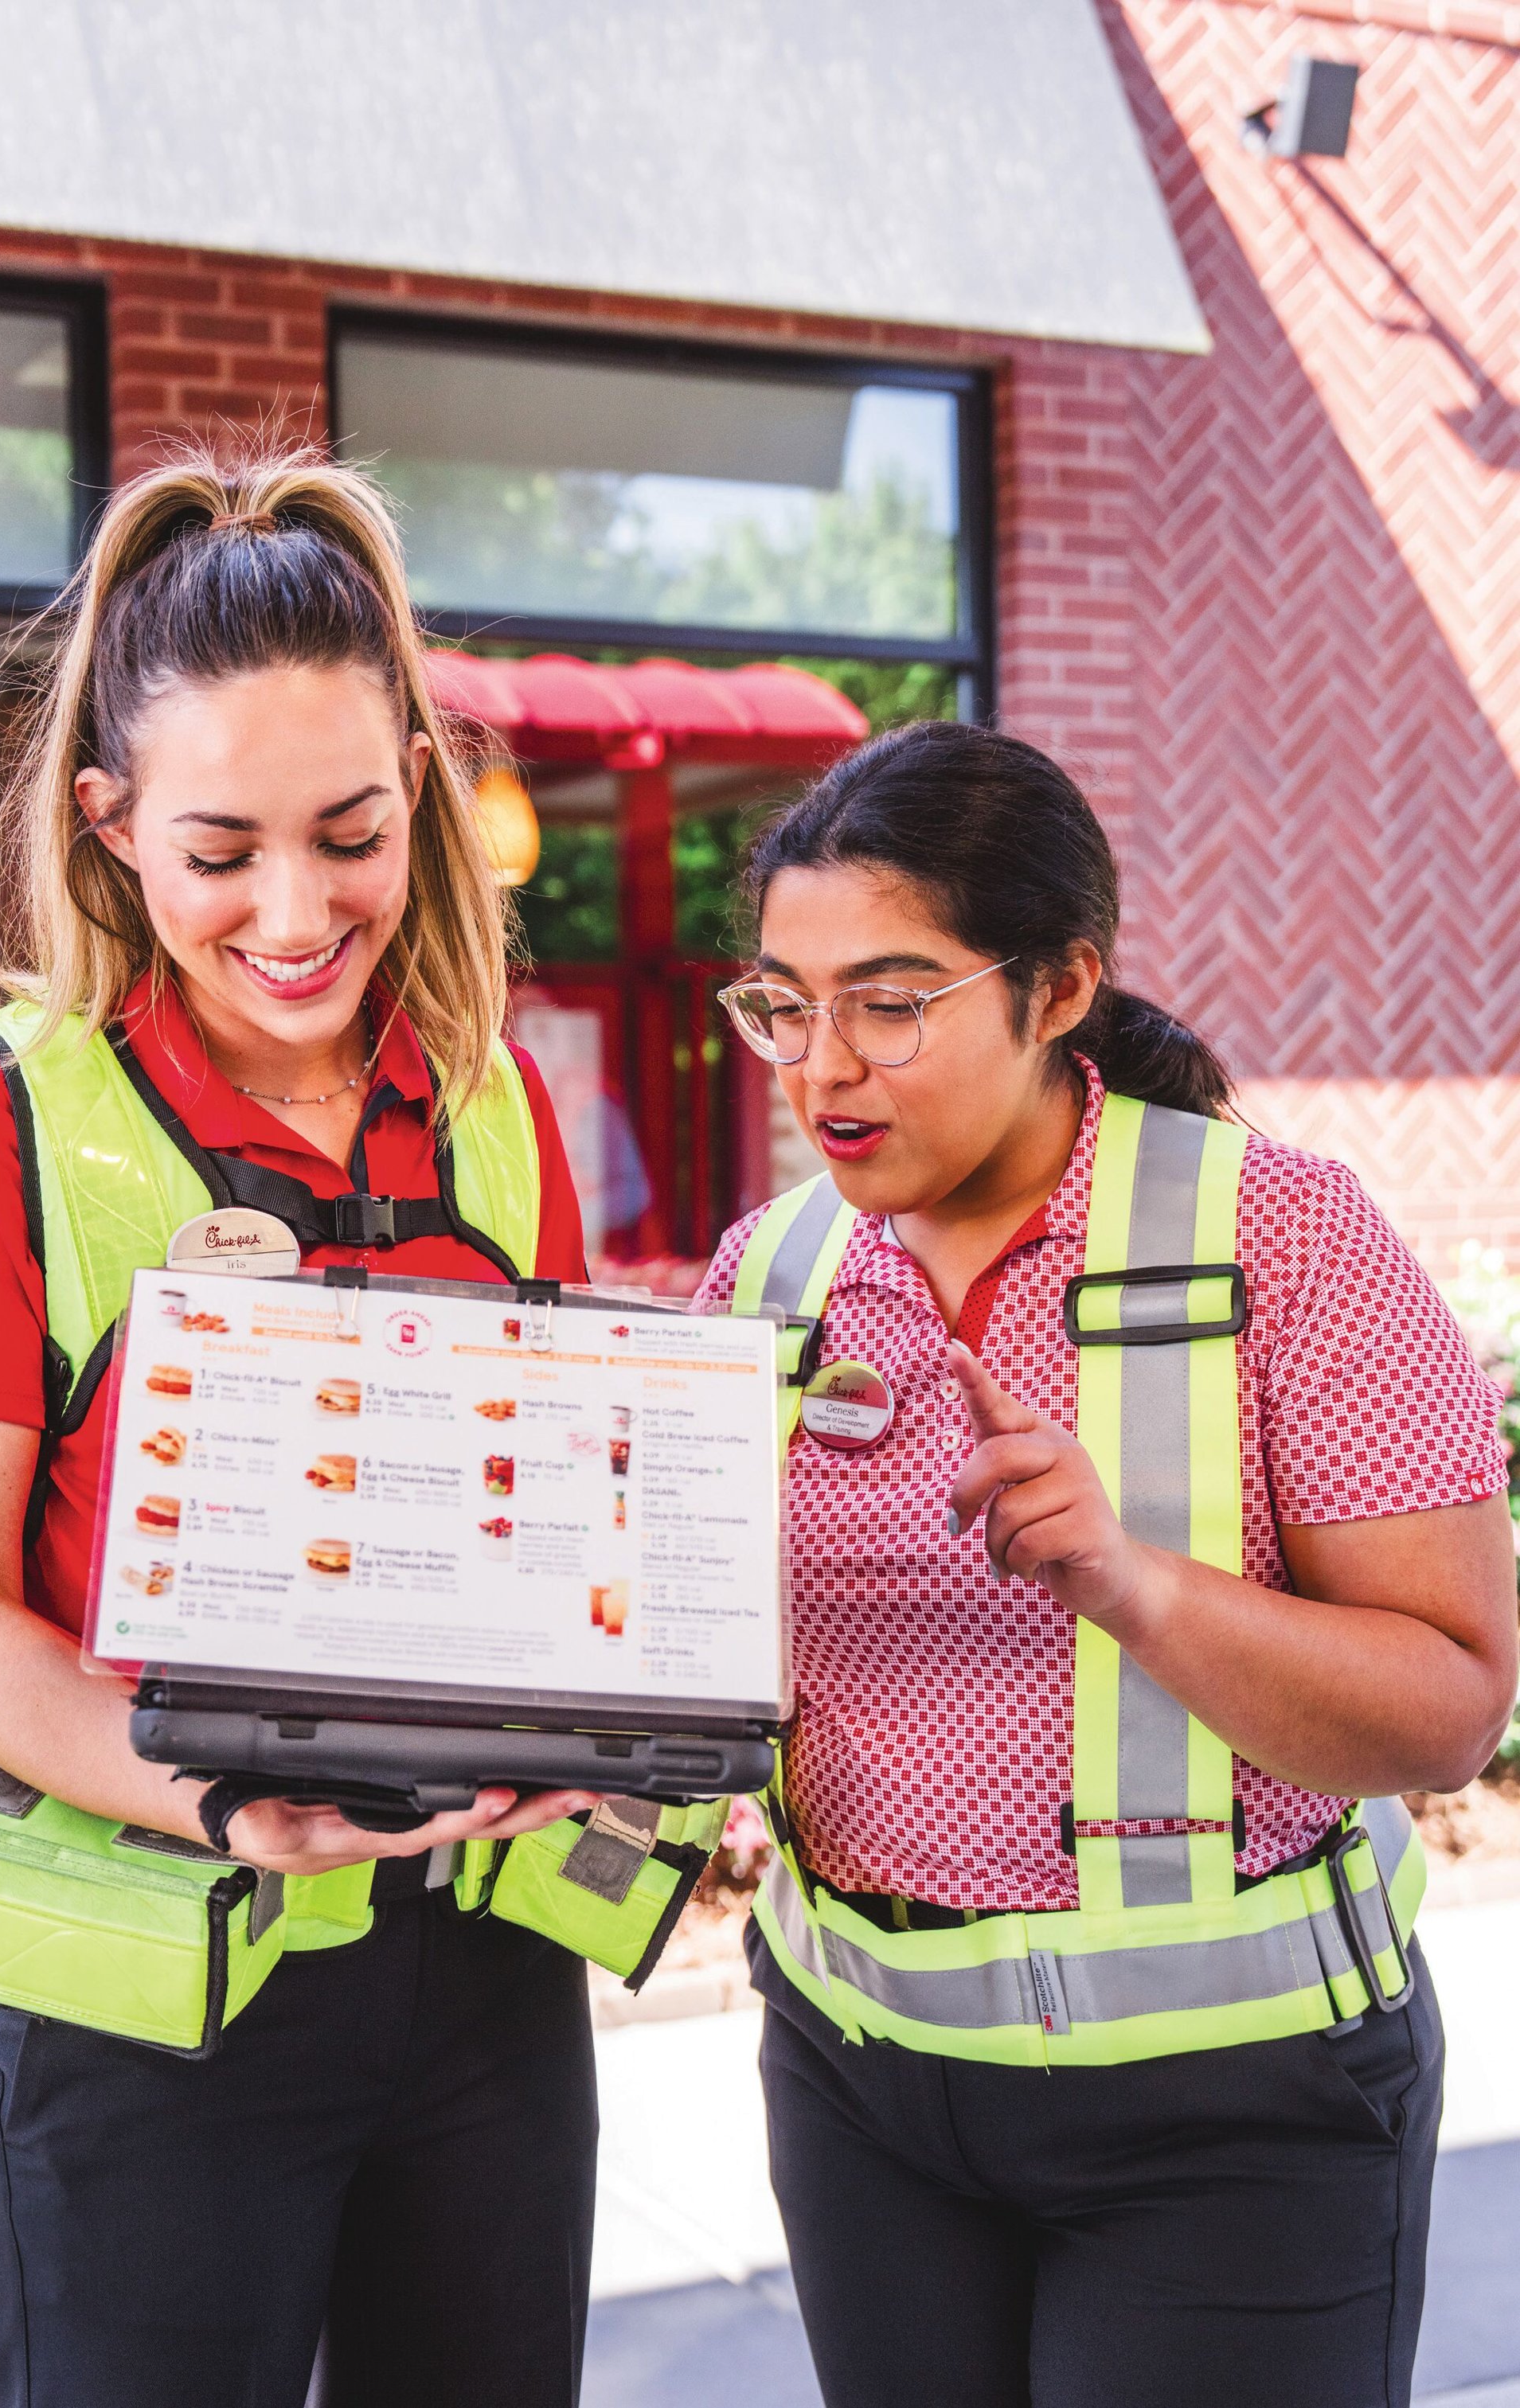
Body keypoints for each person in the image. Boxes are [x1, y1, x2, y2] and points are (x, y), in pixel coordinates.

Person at [0, 443, 608, 2408]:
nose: (293, 908)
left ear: (418, 785)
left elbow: (553, 1528)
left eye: (348, 830)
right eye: (219, 849)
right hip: (138, 1978)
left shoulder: (495, 1105)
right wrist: (220, 1803)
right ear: (107, 823)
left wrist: (609, 1703)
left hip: (479, 1988)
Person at [703, 719, 1519, 2408]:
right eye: (783, 1002)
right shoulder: (765, 1276)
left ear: (1057, 985)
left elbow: (1447, 1709)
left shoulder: (1286, 1243)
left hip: (1233, 2118)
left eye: (889, 1000)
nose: (819, 1067)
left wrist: (1127, 1578)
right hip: (862, 2089)